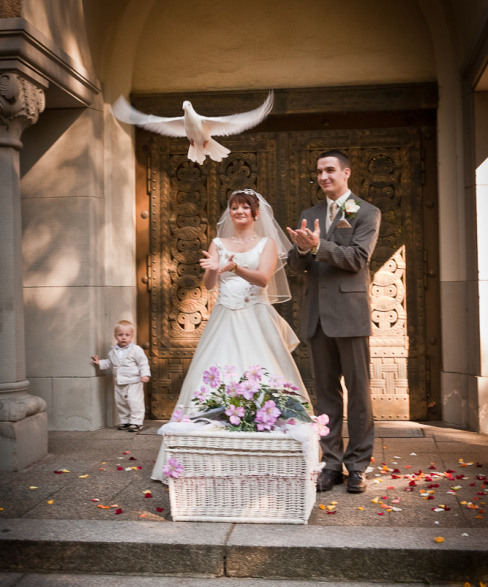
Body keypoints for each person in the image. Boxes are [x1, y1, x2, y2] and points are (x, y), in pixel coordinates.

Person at [151, 189, 309, 481]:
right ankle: (202, 455)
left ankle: (274, 458)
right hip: (224, 315)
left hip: (256, 317)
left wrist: (236, 267)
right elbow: (210, 284)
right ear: (229, 212)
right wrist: (212, 269)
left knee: (263, 375)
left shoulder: (268, 243)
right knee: (213, 377)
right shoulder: (217, 243)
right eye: (234, 207)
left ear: (255, 213)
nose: (238, 212)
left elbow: (263, 278)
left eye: (244, 208)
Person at [287, 150, 381, 494]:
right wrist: (299, 251)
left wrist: (317, 246)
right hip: (317, 317)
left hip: (350, 316)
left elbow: (357, 258)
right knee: (325, 396)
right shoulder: (309, 214)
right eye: (319, 172)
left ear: (346, 173)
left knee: (358, 394)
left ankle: (357, 466)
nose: (323, 176)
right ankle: (331, 463)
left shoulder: (367, 211)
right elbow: (297, 267)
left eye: (330, 170)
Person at [92, 320, 150, 432]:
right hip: (119, 381)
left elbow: (143, 363)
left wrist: (145, 374)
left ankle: (136, 422)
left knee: (134, 402)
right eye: (120, 335)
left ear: (132, 336)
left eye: (127, 335)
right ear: (115, 336)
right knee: (121, 402)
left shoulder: (136, 350)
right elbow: (110, 362)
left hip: (134, 381)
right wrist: (100, 362)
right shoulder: (113, 351)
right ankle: (125, 421)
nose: (124, 337)